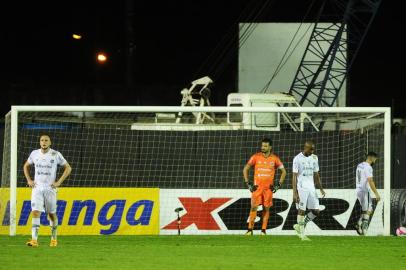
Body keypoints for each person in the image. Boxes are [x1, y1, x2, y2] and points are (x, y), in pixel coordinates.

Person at [23, 134, 72, 247]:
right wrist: (29, 180)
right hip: (37, 188)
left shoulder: (55, 154)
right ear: (40, 142)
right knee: (35, 212)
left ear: (50, 142)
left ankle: (54, 239)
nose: (44, 142)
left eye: (46, 140)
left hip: (50, 189)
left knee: (51, 214)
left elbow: (68, 168)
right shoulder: (34, 154)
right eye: (42, 140)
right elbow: (26, 166)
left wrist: (58, 182)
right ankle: (34, 240)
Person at [243, 138, 286, 235]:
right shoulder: (255, 157)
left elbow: (284, 172)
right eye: (262, 146)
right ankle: (250, 230)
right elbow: (245, 169)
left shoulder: (275, 158)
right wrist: (248, 183)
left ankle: (263, 231)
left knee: (266, 209)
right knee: (253, 207)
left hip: (268, 189)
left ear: (270, 147)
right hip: (257, 188)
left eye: (265, 146)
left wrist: (278, 185)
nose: (263, 148)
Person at [292, 141, 326, 241]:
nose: (312, 151)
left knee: (316, 211)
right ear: (305, 148)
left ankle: (300, 225)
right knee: (302, 210)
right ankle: (302, 235)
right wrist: (294, 193)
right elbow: (294, 176)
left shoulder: (315, 158)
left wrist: (321, 188)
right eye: (311, 149)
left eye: (313, 149)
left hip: (311, 187)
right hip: (301, 187)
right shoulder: (297, 158)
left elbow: (316, 174)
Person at [355, 151, 380, 235]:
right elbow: (370, 181)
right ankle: (364, 230)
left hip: (358, 190)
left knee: (365, 210)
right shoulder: (368, 167)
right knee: (369, 210)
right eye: (375, 158)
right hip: (365, 190)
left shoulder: (360, 165)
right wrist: (376, 193)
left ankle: (358, 224)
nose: (375, 160)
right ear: (371, 158)